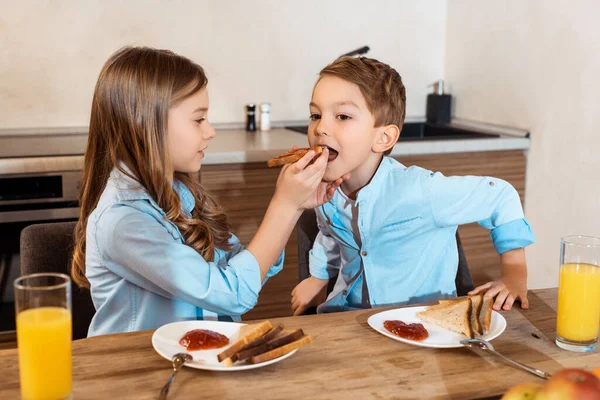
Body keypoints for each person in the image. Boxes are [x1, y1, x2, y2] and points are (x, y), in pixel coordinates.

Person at [71, 46, 345, 336]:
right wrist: (284, 206)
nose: (210, 131)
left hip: (195, 358)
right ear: (145, 124)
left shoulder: (181, 194)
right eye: (199, 119)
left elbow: (241, 267)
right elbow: (232, 292)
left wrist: (296, 205)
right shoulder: (124, 222)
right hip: (139, 371)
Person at [291, 56, 535, 316]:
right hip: (346, 320)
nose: (320, 128)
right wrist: (318, 278)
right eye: (315, 115)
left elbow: (500, 196)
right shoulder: (325, 192)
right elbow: (329, 234)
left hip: (422, 327)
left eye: (342, 116)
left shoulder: (422, 191)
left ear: (383, 137)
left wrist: (514, 272)